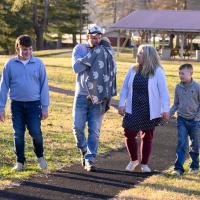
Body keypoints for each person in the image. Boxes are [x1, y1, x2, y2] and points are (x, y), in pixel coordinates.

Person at [0, 35, 49, 171]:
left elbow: (44, 86)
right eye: (23, 49)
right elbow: (3, 86)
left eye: (29, 49)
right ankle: (20, 162)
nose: (26, 52)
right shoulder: (10, 64)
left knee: (36, 132)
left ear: (32, 49)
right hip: (17, 105)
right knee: (18, 134)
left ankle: (40, 156)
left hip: (34, 105)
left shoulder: (38, 64)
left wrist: (45, 107)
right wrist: (1, 108)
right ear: (17, 48)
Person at [118, 44, 170, 173]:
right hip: (133, 107)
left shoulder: (157, 71)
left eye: (141, 53)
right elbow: (124, 88)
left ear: (148, 57)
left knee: (147, 136)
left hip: (149, 109)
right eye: (138, 52)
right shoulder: (132, 69)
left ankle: (144, 164)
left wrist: (165, 109)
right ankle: (134, 160)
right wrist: (121, 104)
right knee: (129, 133)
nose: (138, 55)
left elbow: (164, 92)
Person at [72, 25, 117, 172]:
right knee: (77, 127)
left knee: (95, 131)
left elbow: (111, 73)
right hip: (82, 95)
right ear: (87, 36)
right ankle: (84, 150)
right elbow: (76, 68)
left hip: (98, 98)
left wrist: (108, 99)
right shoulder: (80, 49)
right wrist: (94, 57)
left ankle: (90, 159)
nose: (96, 40)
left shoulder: (106, 51)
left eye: (99, 38)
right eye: (93, 37)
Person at [170, 63, 200, 176]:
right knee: (181, 143)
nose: (180, 75)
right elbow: (176, 104)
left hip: (195, 121)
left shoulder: (197, 87)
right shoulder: (178, 87)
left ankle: (194, 166)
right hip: (181, 119)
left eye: (183, 73)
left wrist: (197, 117)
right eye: (179, 73)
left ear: (191, 73)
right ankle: (178, 168)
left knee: (195, 145)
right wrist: (169, 113)